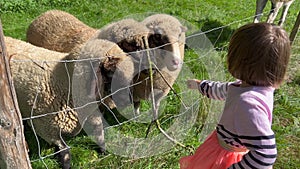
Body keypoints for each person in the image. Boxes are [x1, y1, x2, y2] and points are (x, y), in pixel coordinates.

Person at [179, 22, 291, 169]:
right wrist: (201, 86)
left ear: (240, 60)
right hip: (221, 147)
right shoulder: (254, 87)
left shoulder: (248, 104)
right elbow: (223, 90)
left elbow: (266, 154)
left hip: (224, 157)